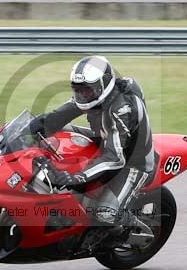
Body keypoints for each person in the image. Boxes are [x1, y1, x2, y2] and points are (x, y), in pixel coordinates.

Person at [28, 55, 155, 242]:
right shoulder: (96, 95)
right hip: (105, 139)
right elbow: (66, 112)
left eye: (87, 91)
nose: (82, 95)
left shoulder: (121, 109)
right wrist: (37, 124)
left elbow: (115, 158)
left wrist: (76, 177)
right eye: (78, 90)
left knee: (104, 213)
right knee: (55, 133)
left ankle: (130, 228)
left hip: (132, 162)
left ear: (104, 86)